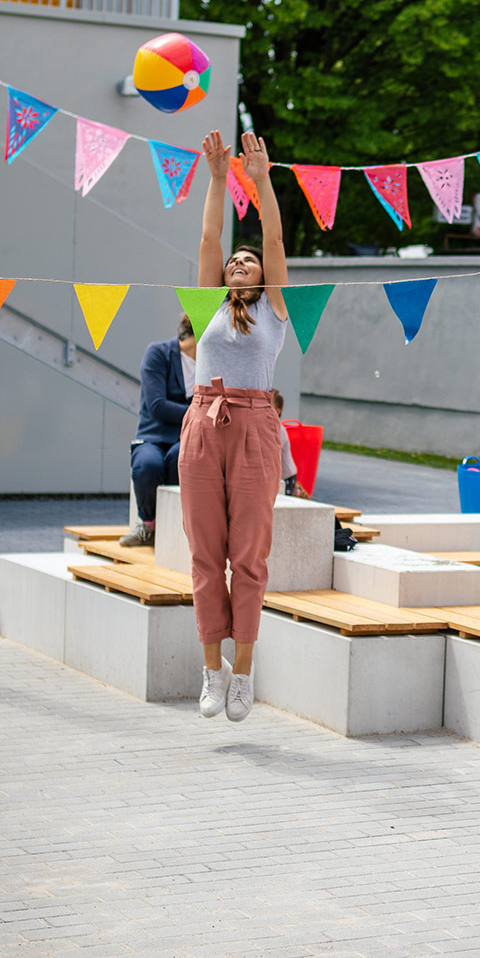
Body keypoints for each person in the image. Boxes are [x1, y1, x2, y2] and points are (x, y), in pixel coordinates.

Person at [178, 128, 288, 723]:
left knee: (248, 557)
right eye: (234, 261)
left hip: (253, 427)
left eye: (249, 260)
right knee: (204, 554)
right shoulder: (207, 308)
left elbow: (270, 234)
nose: (240, 260)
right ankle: (211, 670)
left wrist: (261, 178)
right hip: (202, 422)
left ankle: (243, 675)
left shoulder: (274, 310)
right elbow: (208, 235)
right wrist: (219, 178)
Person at [120, 314, 195, 547]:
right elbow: (156, 405)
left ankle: (173, 524)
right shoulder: (159, 353)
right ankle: (148, 525)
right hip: (153, 434)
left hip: (187, 436)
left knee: (179, 458)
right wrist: (197, 412)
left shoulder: (212, 363)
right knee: (147, 465)